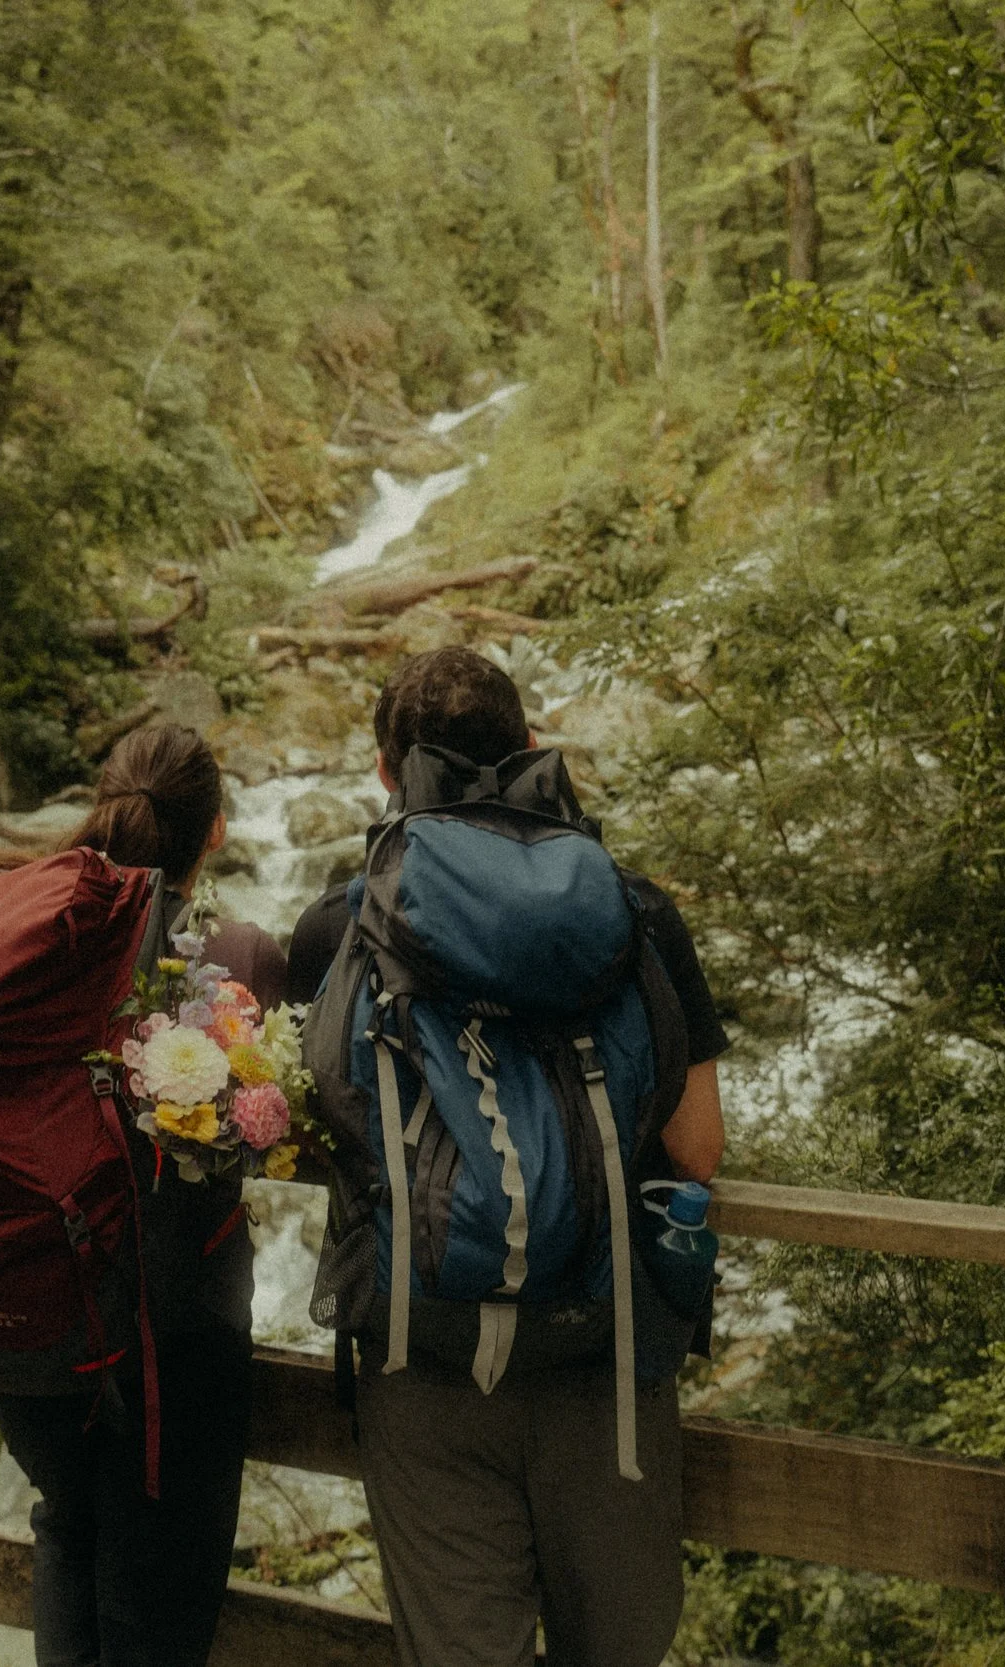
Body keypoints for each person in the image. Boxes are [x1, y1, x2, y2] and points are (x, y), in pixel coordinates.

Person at [287, 648, 728, 1667]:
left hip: (422, 1356)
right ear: (532, 749)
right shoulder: (636, 912)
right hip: (598, 1358)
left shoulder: (342, 925)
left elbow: (319, 1102)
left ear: (388, 773)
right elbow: (695, 1147)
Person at [0, 723, 283, 1667]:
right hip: (169, 1337)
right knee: (163, 1593)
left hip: (23, 1304)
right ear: (214, 832)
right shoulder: (241, 954)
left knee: (68, 1527)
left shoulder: (20, 942)